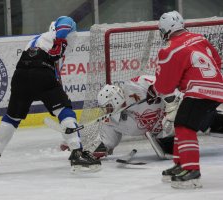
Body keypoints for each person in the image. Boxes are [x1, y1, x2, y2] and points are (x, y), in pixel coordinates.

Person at [0, 16, 101, 174]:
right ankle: (77, 153)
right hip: (42, 72)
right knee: (65, 110)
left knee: (12, 117)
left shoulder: (35, 40)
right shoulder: (57, 37)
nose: (74, 37)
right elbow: (65, 23)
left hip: (20, 75)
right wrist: (59, 41)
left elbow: (52, 72)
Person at [146, 11, 223, 189]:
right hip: (217, 86)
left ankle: (191, 171)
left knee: (184, 126)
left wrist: (154, 90)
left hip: (199, 90)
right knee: (181, 124)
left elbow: (165, 86)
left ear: (164, 30)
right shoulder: (199, 38)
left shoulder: (169, 49)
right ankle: (180, 165)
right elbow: (217, 61)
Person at [60, 75, 176, 160]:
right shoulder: (112, 119)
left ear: (115, 99)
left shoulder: (136, 86)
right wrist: (81, 148)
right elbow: (108, 140)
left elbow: (166, 83)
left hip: (174, 114)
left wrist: (170, 107)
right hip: (161, 135)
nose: (107, 111)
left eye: (108, 107)